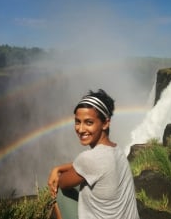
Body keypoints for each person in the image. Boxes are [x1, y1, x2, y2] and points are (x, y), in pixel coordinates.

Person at [48, 89, 139, 219]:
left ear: (105, 123)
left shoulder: (88, 159)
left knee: (59, 190)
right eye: (77, 122)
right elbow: (84, 167)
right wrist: (58, 168)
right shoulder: (117, 150)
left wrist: (57, 172)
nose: (80, 129)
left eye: (88, 122)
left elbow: (62, 182)